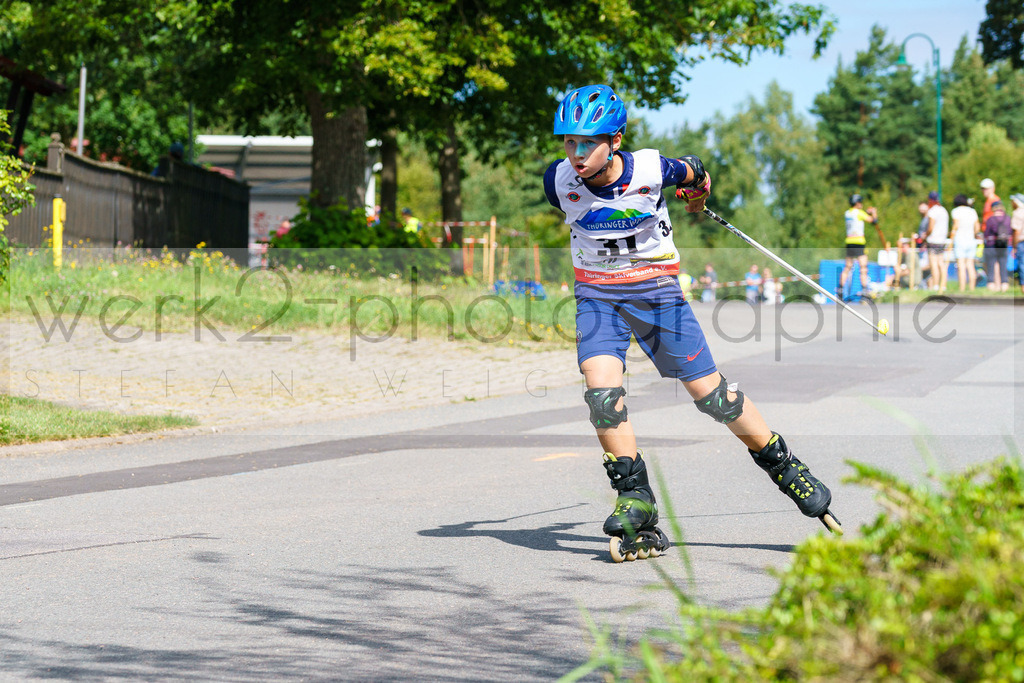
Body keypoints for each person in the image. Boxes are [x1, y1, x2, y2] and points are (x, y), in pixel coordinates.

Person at [542, 84, 841, 562]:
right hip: (598, 295)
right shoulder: (556, 181)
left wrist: (696, 200)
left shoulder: (654, 170)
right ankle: (635, 498)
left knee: (714, 398)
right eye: (568, 142)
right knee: (601, 392)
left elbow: (697, 170)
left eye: (588, 142)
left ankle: (786, 467)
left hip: (657, 295)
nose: (576, 154)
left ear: (615, 140)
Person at [840, 193, 879, 298]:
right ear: (857, 203)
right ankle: (865, 290)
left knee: (847, 267)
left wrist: (866, 212)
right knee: (863, 267)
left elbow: (858, 215)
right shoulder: (859, 213)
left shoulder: (847, 213)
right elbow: (873, 221)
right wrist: (874, 213)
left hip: (849, 241)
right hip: (859, 242)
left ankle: (840, 289)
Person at [949, 194, 980, 291]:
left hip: (960, 240)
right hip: (971, 240)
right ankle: (972, 288)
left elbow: (956, 225)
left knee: (961, 265)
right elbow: (977, 228)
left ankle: (961, 288)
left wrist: (951, 236)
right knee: (970, 265)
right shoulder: (972, 211)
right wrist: (972, 234)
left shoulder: (956, 211)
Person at [923, 191, 950, 292]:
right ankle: (943, 285)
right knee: (941, 263)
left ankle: (935, 285)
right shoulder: (944, 210)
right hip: (942, 240)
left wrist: (925, 235)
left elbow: (931, 227)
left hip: (933, 240)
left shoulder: (933, 211)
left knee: (934, 264)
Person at [983, 200, 1012, 292]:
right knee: (1003, 267)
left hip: (991, 246)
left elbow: (986, 233)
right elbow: (1010, 232)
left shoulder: (991, 219)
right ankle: (1004, 287)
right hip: (1003, 245)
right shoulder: (1008, 219)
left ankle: (993, 288)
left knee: (991, 267)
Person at [1011, 193, 1024, 294]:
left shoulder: (1018, 213)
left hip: (1021, 242)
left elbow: (1017, 231)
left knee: (1022, 265)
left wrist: (1014, 246)